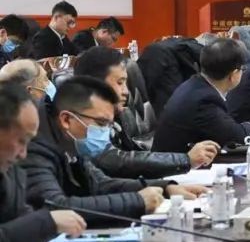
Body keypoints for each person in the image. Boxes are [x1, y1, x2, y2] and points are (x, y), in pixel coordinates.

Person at [22, 77, 203, 226]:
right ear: (67, 119)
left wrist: (165, 188)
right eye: (101, 123)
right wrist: (137, 201)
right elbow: (55, 207)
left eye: (109, 124)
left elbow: (100, 184)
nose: (105, 132)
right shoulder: (32, 144)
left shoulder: (69, 139)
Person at [73, 47, 217, 179]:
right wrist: (185, 160)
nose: (126, 92)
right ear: (95, 84)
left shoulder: (113, 118)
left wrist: (166, 186)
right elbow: (114, 161)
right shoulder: (79, 123)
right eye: (119, 83)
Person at [0, 84, 85, 242]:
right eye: (21, 140)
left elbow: (19, 220)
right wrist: (46, 222)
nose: (23, 154)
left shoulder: (10, 171)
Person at [153, 39, 250, 153]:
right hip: (175, 162)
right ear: (233, 75)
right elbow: (236, 137)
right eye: (242, 69)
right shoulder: (204, 101)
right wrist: (249, 126)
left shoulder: (195, 84)